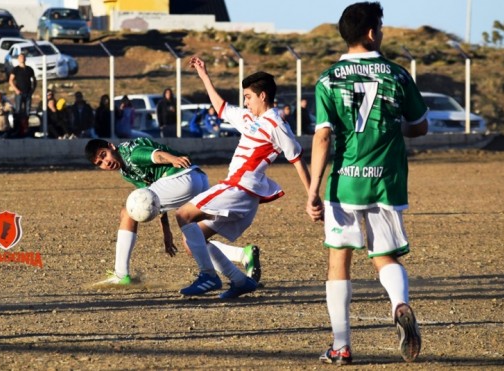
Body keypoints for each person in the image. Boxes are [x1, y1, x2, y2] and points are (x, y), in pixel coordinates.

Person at [305, 2, 428, 365]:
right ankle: (399, 304)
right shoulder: (397, 74)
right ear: (373, 32)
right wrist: (394, 127)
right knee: (384, 254)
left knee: (339, 258)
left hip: (345, 180)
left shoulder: (327, 79)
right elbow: (420, 126)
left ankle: (341, 346)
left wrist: (313, 189)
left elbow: (323, 138)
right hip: (386, 178)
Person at [175, 57, 311, 299]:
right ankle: (240, 281)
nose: (245, 102)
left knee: (183, 215)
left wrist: (312, 197)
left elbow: (297, 159)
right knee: (192, 242)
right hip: (242, 196)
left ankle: (208, 276)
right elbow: (221, 108)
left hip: (239, 188)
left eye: (248, 96)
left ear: (263, 96)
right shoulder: (250, 119)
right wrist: (204, 75)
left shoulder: (277, 125)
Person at [84, 138, 262, 286]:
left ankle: (121, 274)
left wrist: (172, 159)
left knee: (127, 212)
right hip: (197, 178)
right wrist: (166, 231)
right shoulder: (125, 171)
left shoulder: (129, 152)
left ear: (111, 146)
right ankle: (242, 255)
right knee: (192, 241)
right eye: (100, 163)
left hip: (180, 177)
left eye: (103, 155)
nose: (105, 162)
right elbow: (150, 198)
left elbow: (155, 155)